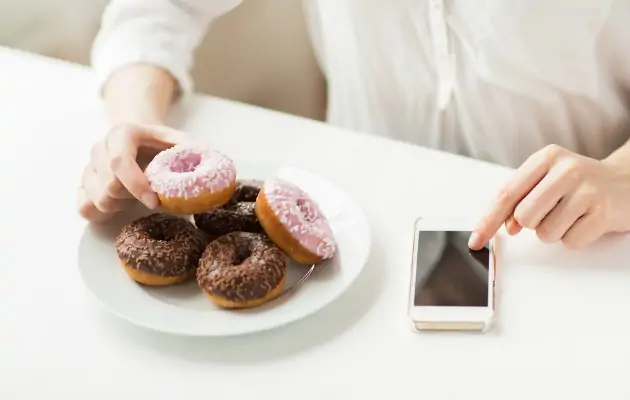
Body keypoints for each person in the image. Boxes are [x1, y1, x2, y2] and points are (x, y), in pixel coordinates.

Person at [78, 0, 630, 251]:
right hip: (350, 228)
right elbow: (154, 12)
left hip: (576, 244)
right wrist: (136, 124)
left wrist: (619, 178)